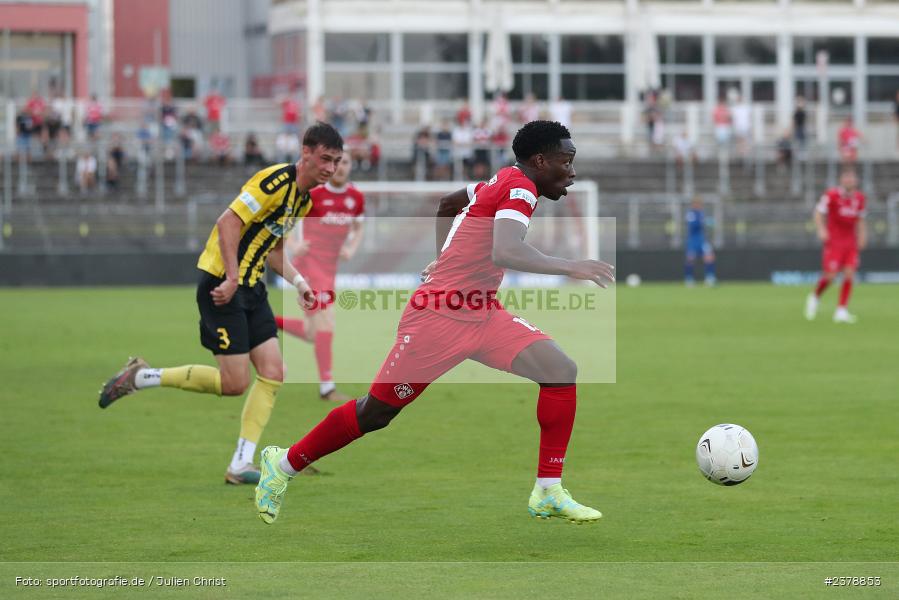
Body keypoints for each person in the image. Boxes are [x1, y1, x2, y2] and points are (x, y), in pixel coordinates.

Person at [254, 120, 615, 525]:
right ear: (541, 161)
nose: (572, 172)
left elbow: (447, 203)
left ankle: (548, 489)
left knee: (560, 370)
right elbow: (507, 251)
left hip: (482, 312)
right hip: (437, 319)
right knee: (375, 414)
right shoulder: (520, 188)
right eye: (566, 161)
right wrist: (572, 266)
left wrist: (444, 258)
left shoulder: (501, 179)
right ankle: (282, 464)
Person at [97, 123, 345, 485]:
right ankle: (141, 377)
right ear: (305, 152)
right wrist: (231, 277)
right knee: (234, 383)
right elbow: (228, 222)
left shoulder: (303, 201)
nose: (330, 168)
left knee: (274, 372)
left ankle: (240, 465)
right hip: (222, 285)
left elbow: (274, 249)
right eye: (325, 158)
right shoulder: (274, 182)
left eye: (336, 161)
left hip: (252, 287)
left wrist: (300, 283)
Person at [275, 151, 365, 403]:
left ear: (350, 166)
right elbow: (285, 221)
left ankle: (267, 322)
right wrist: (294, 245)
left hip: (329, 269)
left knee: (314, 332)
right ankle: (327, 387)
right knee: (326, 325)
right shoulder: (314, 193)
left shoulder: (355, 198)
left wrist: (351, 248)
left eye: (345, 162)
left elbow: (359, 228)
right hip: (309, 266)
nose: (340, 167)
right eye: (336, 162)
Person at [805, 169, 866, 324]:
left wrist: (863, 236)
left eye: (852, 178)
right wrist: (821, 229)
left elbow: (860, 220)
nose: (849, 180)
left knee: (849, 274)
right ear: (841, 180)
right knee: (830, 276)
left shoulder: (860, 198)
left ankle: (841, 310)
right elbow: (818, 212)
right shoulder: (831, 195)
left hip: (850, 242)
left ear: (856, 181)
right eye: (847, 178)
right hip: (834, 241)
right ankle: (815, 296)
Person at [684, 197, 716, 287]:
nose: (699, 206)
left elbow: (703, 225)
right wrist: (702, 221)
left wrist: (707, 222)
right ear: (693, 205)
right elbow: (692, 225)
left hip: (702, 240)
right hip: (693, 240)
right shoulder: (690, 214)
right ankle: (689, 279)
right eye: (697, 204)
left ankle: (710, 278)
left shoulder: (701, 214)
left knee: (710, 257)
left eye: (700, 204)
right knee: (690, 259)